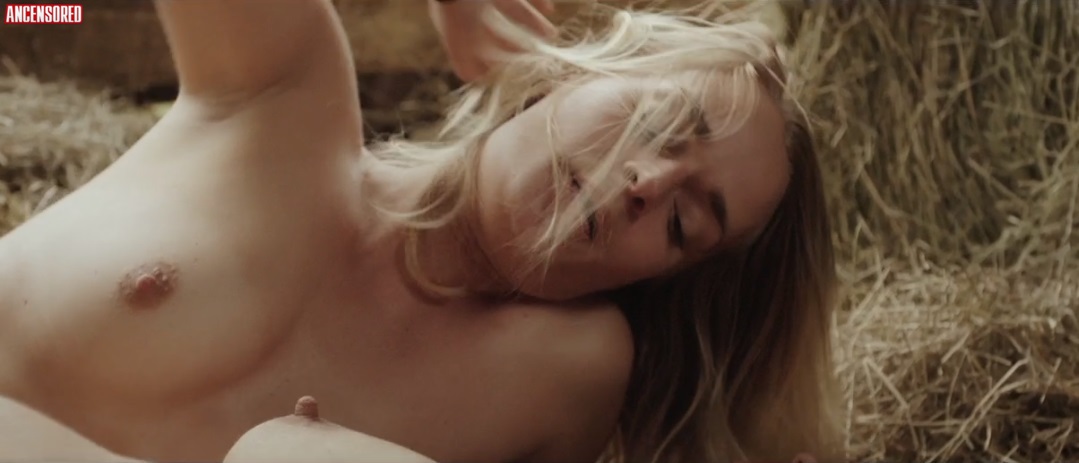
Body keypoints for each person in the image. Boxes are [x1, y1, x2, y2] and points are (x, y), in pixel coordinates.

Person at [0, 0, 843, 462]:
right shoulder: (281, 95)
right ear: (576, 71)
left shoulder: (556, 373)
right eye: (659, 122)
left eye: (684, 221)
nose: (647, 184)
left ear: (663, 276)